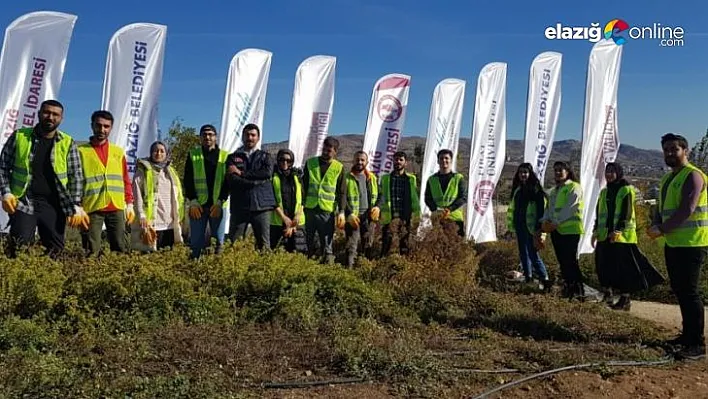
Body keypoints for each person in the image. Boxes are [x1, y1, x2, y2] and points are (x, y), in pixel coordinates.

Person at [0, 100, 85, 258]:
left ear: (61, 119)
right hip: (24, 201)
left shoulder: (67, 142)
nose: (50, 117)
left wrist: (76, 204)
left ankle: (49, 280)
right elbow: (2, 166)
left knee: (56, 250)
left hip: (54, 204)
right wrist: (6, 192)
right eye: (47, 112)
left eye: (55, 114)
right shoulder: (20, 136)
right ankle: (15, 279)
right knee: (20, 244)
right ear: (39, 114)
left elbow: (76, 176)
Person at [648, 133, 707, 360]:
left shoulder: (693, 176)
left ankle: (697, 344)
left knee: (690, 292)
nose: (670, 153)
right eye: (666, 150)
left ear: (686, 150)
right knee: (680, 290)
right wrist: (656, 223)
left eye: (674, 149)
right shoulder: (668, 179)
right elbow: (661, 210)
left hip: (692, 243)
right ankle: (687, 336)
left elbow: (687, 210)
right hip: (674, 243)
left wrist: (661, 229)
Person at [592, 162, 664, 310]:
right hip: (604, 235)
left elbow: (626, 213)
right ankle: (608, 294)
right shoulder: (604, 192)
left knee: (623, 269)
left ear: (618, 173)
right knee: (604, 266)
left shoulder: (626, 190)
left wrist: (618, 230)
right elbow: (599, 214)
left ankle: (625, 299)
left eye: (612, 171)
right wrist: (595, 231)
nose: (609, 174)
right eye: (607, 171)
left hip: (622, 237)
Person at [78, 110, 135, 256]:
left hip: (115, 206)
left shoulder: (117, 152)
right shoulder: (80, 151)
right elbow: (75, 181)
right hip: (92, 207)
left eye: (106, 126)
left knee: (121, 247)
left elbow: (125, 180)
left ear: (111, 128)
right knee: (91, 249)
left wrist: (129, 204)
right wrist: (77, 206)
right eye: (98, 125)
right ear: (92, 126)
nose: (102, 130)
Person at [225, 123, 275, 251]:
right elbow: (233, 180)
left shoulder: (265, 156)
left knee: (264, 246)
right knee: (234, 245)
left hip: (261, 207)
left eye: (253, 135)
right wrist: (257, 182)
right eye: (247, 134)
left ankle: (264, 270)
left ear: (258, 138)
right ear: (242, 137)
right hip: (240, 207)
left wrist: (242, 173)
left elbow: (267, 174)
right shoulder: (232, 158)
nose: (250, 137)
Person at [540, 161, 585, 299]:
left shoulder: (574, 187)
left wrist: (555, 222)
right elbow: (549, 209)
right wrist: (544, 221)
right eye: (556, 170)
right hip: (556, 231)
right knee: (563, 261)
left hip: (570, 230)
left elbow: (571, 208)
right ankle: (568, 287)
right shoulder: (554, 191)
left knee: (570, 261)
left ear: (568, 171)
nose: (558, 173)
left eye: (561, 170)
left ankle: (578, 290)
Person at [183, 124, 229, 259]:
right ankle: (194, 269)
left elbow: (227, 182)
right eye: (204, 135)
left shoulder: (225, 156)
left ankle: (216, 270)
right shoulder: (193, 155)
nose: (207, 137)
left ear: (216, 137)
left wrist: (221, 200)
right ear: (200, 138)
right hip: (198, 206)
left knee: (218, 243)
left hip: (217, 205)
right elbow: (188, 180)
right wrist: (192, 200)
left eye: (210, 134)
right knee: (196, 242)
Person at [131, 141, 185, 252]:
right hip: (152, 223)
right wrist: (141, 214)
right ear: (151, 153)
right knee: (150, 257)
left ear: (166, 153)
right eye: (155, 151)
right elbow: (137, 194)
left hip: (170, 223)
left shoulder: (171, 172)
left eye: (162, 151)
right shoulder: (143, 171)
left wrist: (180, 216)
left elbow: (178, 197)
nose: (158, 153)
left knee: (167, 257)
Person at [302, 136, 346, 265]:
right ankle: (308, 266)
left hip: (326, 212)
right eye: (324, 149)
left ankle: (327, 269)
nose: (325, 152)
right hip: (309, 210)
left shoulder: (339, 167)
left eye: (329, 151)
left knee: (327, 244)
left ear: (335, 152)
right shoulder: (310, 163)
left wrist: (342, 211)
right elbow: (303, 186)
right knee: (308, 242)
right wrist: (301, 206)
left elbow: (342, 191)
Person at [507, 163, 551, 290]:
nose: (523, 175)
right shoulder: (517, 190)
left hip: (532, 227)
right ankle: (528, 278)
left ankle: (544, 279)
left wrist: (539, 228)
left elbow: (541, 210)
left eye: (525, 172)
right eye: (521, 172)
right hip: (520, 225)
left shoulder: (536, 190)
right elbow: (514, 209)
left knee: (533, 254)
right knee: (523, 253)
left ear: (530, 174)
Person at [377, 151, 420, 256]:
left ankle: (403, 267)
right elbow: (381, 196)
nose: (398, 162)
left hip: (405, 216)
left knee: (404, 245)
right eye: (396, 159)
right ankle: (382, 266)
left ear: (406, 163)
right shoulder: (385, 178)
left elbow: (414, 198)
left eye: (401, 160)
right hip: (389, 217)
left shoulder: (411, 179)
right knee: (386, 244)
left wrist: (417, 215)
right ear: (393, 161)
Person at [342, 151, 378, 267]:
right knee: (351, 247)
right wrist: (349, 213)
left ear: (367, 162)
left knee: (368, 246)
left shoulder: (372, 178)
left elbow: (380, 194)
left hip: (368, 218)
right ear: (353, 161)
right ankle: (349, 272)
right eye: (357, 159)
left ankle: (365, 270)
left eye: (362, 160)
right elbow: (342, 198)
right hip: (353, 218)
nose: (360, 162)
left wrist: (377, 206)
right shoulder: (346, 178)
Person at [270, 149, 306, 253]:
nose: (285, 162)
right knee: (278, 254)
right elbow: (271, 199)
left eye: (288, 160)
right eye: (282, 159)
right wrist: (285, 219)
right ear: (277, 160)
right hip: (278, 222)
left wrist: (297, 216)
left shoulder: (297, 176)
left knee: (298, 254)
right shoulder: (272, 176)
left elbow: (302, 199)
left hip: (297, 222)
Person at [424, 149, 467, 236]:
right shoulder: (431, 179)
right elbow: (427, 198)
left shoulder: (458, 178)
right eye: (441, 158)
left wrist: (449, 209)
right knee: (438, 247)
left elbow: (463, 197)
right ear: (438, 161)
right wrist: (435, 209)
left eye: (446, 158)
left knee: (456, 247)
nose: (444, 160)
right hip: (438, 219)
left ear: (451, 160)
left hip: (455, 219)